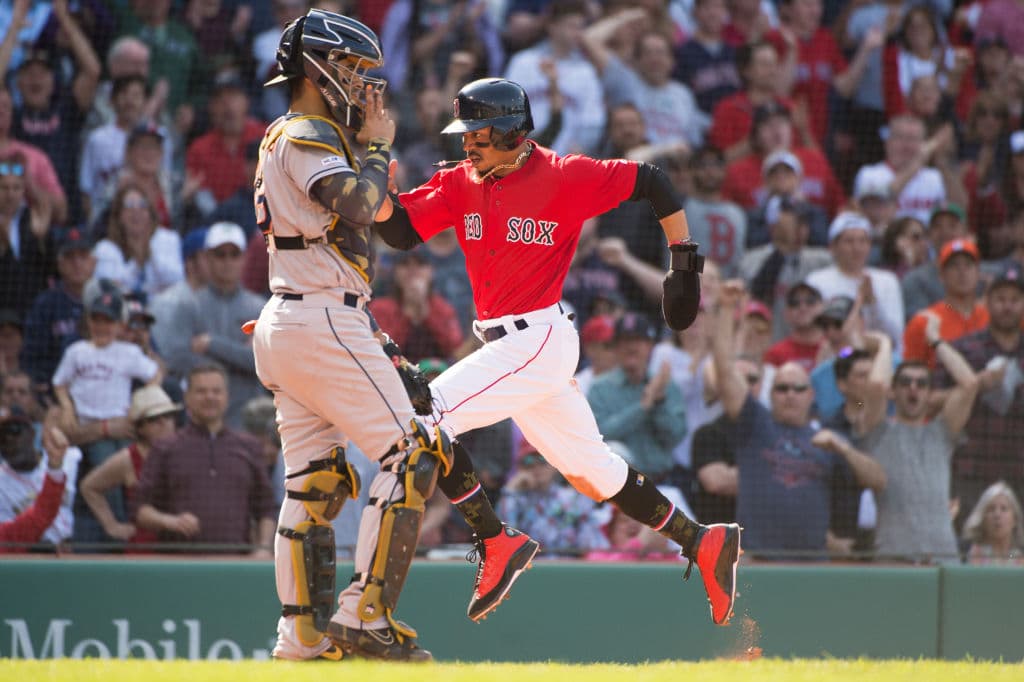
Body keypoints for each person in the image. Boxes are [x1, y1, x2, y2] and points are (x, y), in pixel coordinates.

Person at [374, 77, 741, 626]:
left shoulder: (565, 175)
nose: (466, 144)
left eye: (477, 133)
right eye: (465, 134)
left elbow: (654, 182)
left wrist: (684, 263)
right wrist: (377, 191)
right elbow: (401, 232)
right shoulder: (459, 181)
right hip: (507, 345)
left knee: (421, 416)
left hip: (537, 338)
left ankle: (494, 539)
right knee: (594, 471)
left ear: (509, 130)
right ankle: (702, 540)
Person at [248, 10, 460, 661]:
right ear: (316, 68)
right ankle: (364, 615)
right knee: (414, 450)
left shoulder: (293, 132)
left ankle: (300, 640)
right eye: (351, 68)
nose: (363, 83)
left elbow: (376, 214)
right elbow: (361, 205)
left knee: (314, 484)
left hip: (296, 313)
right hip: (318, 315)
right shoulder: (308, 129)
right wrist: (376, 146)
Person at [859, 313, 980, 562]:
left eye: (921, 383)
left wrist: (936, 340)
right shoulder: (878, 431)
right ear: (894, 392)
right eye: (904, 382)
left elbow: (970, 383)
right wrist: (885, 345)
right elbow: (876, 387)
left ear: (929, 393)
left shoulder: (942, 431)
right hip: (895, 559)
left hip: (943, 558)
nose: (913, 388)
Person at [133, 364, 275, 553]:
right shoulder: (166, 447)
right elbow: (140, 509)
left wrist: (263, 548)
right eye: (201, 391)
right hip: (179, 567)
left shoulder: (249, 447)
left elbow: (266, 508)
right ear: (187, 398)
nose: (210, 397)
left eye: (216, 391)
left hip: (236, 566)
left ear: (227, 397)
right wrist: (170, 522)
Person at [78, 385, 178, 544]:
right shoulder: (128, 459)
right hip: (144, 551)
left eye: (168, 416)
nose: (164, 423)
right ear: (140, 428)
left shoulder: (187, 450)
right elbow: (89, 487)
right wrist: (112, 526)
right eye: (154, 420)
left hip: (182, 545)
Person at [0, 406, 81, 546]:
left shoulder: (69, 457)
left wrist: (55, 466)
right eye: (1, 437)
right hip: (32, 556)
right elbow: (31, 525)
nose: (9, 439)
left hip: (74, 547)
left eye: (14, 430)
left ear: (31, 432)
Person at [961, 481, 1024, 564]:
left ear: (1014, 519)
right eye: (991, 509)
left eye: (1004, 509)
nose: (997, 515)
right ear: (982, 518)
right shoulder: (974, 555)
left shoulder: (1018, 557)